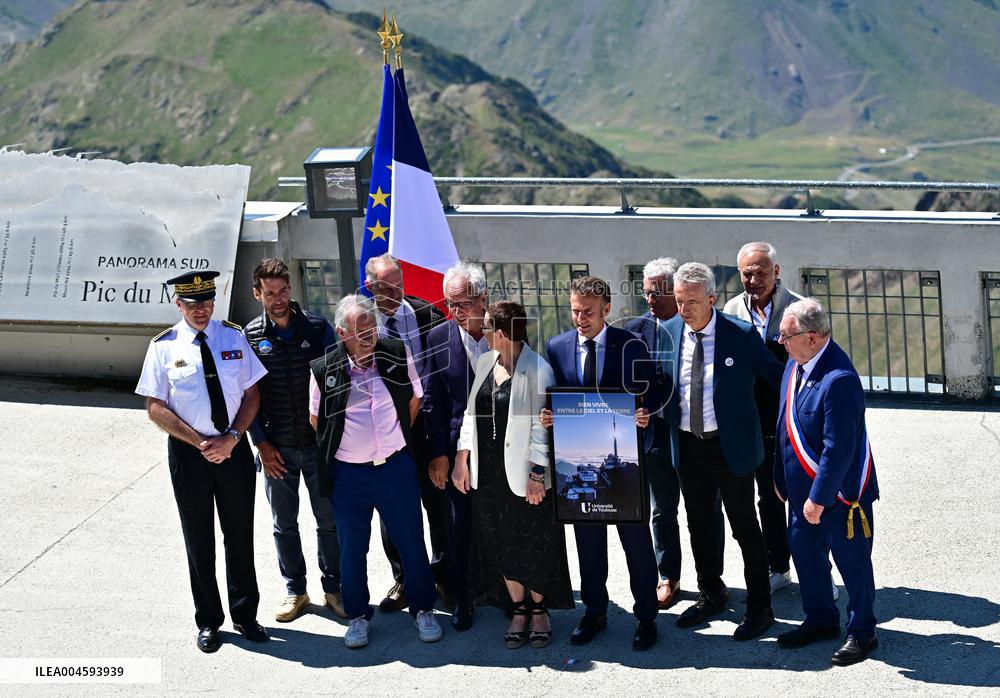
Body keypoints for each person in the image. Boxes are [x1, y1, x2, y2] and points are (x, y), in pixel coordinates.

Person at [135, 271, 268, 653]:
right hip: (190, 457)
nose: (202, 310)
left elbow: (251, 395)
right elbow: (155, 408)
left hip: (234, 450)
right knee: (199, 540)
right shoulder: (163, 347)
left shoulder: (233, 336)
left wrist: (232, 438)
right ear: (179, 305)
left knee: (239, 535)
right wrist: (201, 443)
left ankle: (245, 615)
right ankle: (209, 620)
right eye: (193, 305)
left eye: (207, 303)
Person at [308, 294, 443, 648]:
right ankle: (356, 616)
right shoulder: (324, 368)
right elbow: (316, 419)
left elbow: (414, 399)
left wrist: (390, 437)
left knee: (412, 541)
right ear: (341, 333)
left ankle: (424, 609)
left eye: (371, 324)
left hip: (395, 468)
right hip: (349, 475)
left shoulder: (396, 353)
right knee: (353, 549)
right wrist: (355, 447)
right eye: (359, 327)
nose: (368, 332)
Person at [661, 262, 784, 641]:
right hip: (687, 444)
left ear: (712, 299)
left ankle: (761, 608)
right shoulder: (667, 333)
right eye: (679, 300)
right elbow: (659, 383)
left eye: (693, 302)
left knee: (744, 526)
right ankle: (711, 592)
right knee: (698, 523)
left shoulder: (741, 335)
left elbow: (778, 378)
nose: (684, 309)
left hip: (731, 448)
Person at [541, 275, 661, 651]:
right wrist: (549, 416)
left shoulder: (631, 345)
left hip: (626, 463)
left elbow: (654, 387)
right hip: (581, 463)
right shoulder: (557, 346)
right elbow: (552, 395)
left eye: (588, 312)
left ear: (606, 309)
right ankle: (594, 612)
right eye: (575, 311)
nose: (580, 318)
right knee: (588, 545)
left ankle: (646, 617)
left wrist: (645, 412)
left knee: (636, 544)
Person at [452, 301, 574, 649]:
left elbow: (542, 428)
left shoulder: (538, 370)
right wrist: (463, 458)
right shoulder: (485, 362)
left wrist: (538, 473)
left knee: (533, 543)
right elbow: (470, 415)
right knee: (500, 540)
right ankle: (518, 608)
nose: (483, 333)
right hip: (488, 474)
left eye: (488, 327)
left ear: (502, 334)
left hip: (524, 475)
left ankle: (539, 610)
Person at [774, 299, 880, 666]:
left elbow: (839, 448)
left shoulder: (839, 380)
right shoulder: (795, 363)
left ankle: (862, 632)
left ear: (814, 338)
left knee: (852, 562)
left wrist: (819, 498)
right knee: (807, 556)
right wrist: (779, 477)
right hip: (800, 489)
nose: (781, 342)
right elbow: (784, 426)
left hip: (839, 494)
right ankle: (820, 619)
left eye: (787, 336)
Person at [243, 259, 345, 622]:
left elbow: (338, 385)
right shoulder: (250, 336)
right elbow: (247, 396)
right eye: (269, 293)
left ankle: (334, 588)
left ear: (291, 289)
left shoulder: (318, 328)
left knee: (329, 521)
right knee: (283, 524)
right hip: (277, 450)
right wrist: (261, 444)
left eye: (283, 290)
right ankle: (296, 591)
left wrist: (333, 439)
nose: (278, 298)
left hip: (318, 447)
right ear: (257, 294)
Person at [625, 257, 725, 610]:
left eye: (660, 292)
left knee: (707, 509)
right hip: (654, 438)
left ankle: (711, 578)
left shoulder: (698, 327)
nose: (651, 300)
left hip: (694, 438)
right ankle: (668, 576)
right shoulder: (634, 332)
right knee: (662, 510)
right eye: (647, 293)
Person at [363, 253, 449, 614]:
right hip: (386, 433)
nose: (394, 293)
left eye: (398, 284)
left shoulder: (427, 315)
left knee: (440, 505)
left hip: (428, 429)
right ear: (369, 286)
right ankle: (404, 578)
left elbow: (444, 373)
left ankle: (444, 576)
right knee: (393, 509)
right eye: (385, 287)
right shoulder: (361, 323)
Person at [723, 242, 807, 595]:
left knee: (799, 496)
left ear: (777, 271)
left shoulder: (799, 309)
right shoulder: (731, 309)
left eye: (761, 272)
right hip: (748, 418)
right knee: (765, 498)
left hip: (788, 417)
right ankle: (778, 567)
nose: (754, 279)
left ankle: (817, 569)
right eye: (747, 273)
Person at [422, 262, 490, 630]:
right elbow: (432, 401)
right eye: (450, 304)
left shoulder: (506, 330)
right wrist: (438, 455)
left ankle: (505, 593)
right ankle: (462, 597)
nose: (456, 312)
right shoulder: (437, 338)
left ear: (483, 299)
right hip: (454, 451)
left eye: (463, 303)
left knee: (499, 522)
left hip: (500, 447)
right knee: (458, 525)